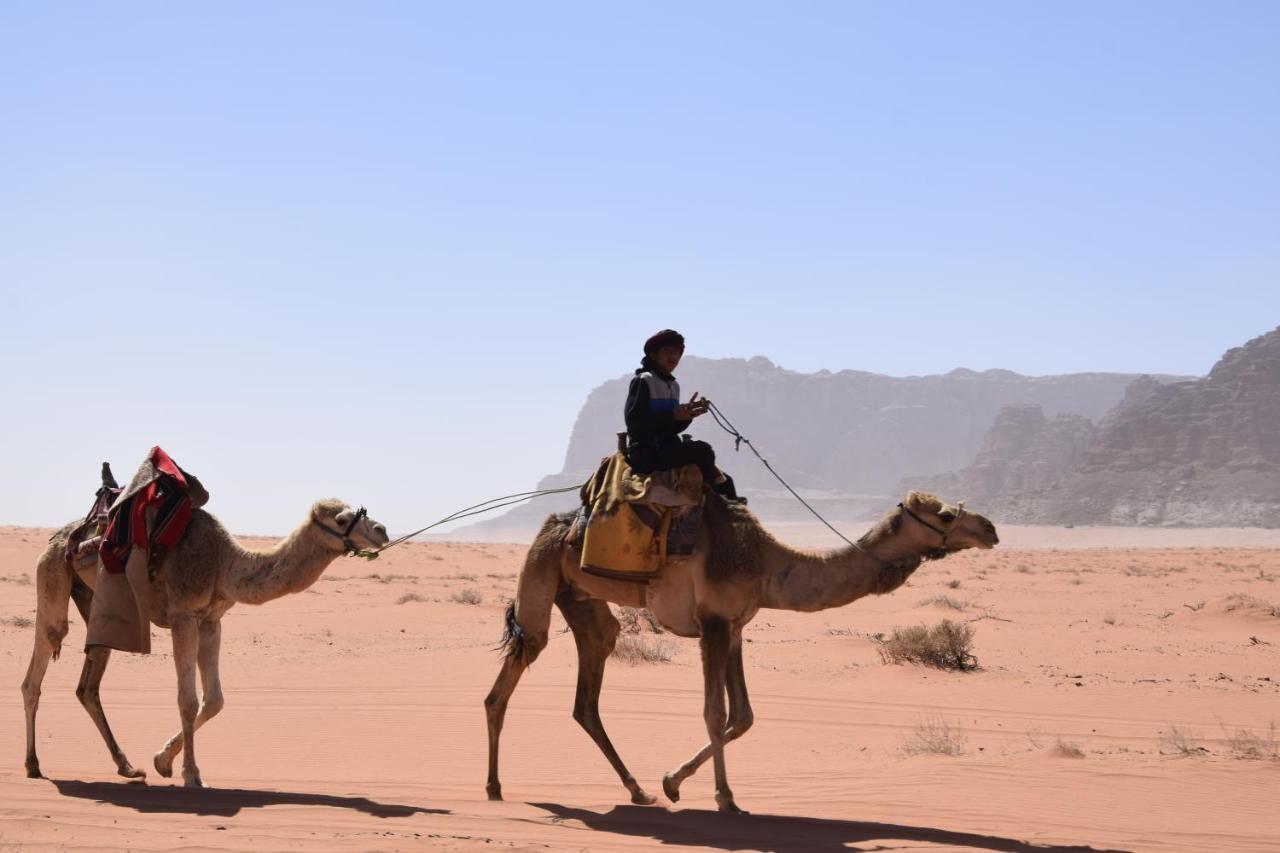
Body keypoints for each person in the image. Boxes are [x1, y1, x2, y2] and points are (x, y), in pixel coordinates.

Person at [624, 329, 742, 502]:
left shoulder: (673, 385)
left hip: (667, 449)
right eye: (668, 352)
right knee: (703, 450)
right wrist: (672, 415)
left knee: (727, 480)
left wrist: (688, 416)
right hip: (648, 452)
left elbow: (671, 427)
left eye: (677, 353)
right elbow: (634, 422)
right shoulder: (644, 380)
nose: (674, 357)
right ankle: (717, 500)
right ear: (654, 355)